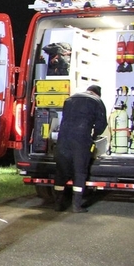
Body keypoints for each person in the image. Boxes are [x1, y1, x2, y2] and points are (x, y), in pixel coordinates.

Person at [53, 85, 108, 213]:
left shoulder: (70, 99)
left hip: (63, 138)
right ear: (97, 93)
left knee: (61, 171)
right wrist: (94, 136)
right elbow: (102, 123)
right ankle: (76, 206)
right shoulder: (96, 101)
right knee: (80, 171)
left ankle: (57, 204)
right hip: (81, 139)